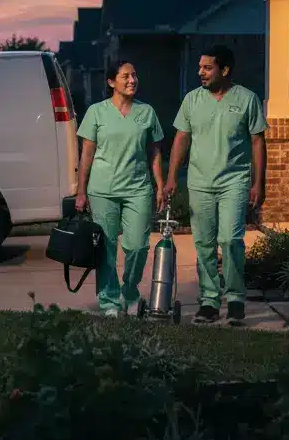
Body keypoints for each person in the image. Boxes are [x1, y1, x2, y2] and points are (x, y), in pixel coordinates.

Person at [164, 44, 267, 326]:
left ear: (225, 70)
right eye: (200, 67)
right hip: (199, 182)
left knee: (231, 240)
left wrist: (259, 182)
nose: (201, 72)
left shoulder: (247, 99)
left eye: (207, 68)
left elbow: (258, 141)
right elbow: (181, 139)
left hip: (235, 181)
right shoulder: (192, 100)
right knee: (204, 243)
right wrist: (172, 177)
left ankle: (235, 300)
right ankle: (209, 301)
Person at [75, 60, 166, 316]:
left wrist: (160, 185)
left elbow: (155, 152)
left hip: (138, 188)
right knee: (105, 249)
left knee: (137, 246)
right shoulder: (96, 112)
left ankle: (130, 291)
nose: (132, 80)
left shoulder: (146, 112)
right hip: (102, 190)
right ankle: (110, 302)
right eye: (126, 76)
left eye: (135, 75)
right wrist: (81, 191)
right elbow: (86, 156)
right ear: (111, 82)